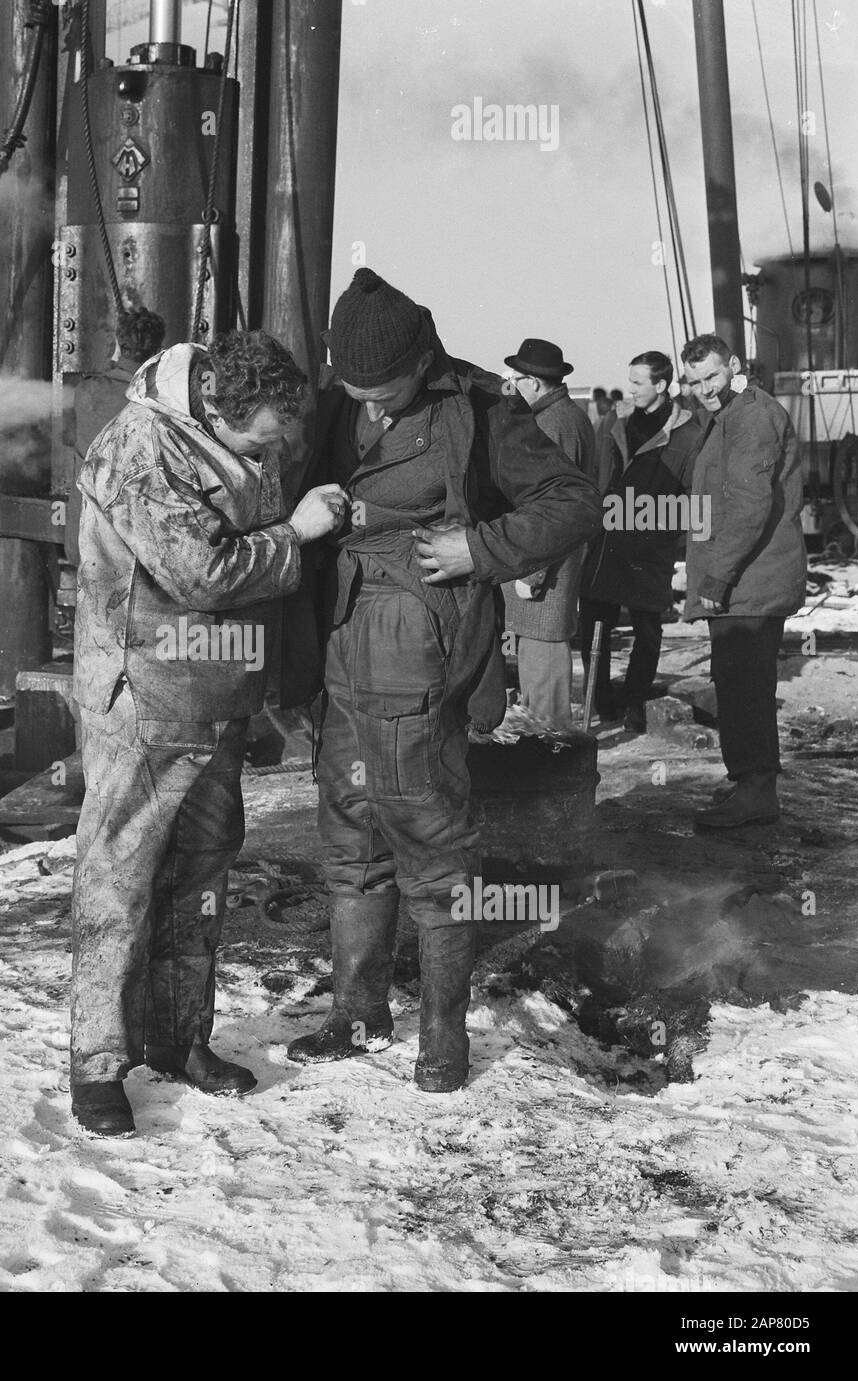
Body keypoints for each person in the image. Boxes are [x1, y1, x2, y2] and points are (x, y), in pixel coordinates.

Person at [285, 269, 602, 1092]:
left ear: (422, 363)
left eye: (383, 390)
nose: (371, 406)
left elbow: (573, 500)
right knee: (351, 838)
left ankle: (442, 1038)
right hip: (341, 658)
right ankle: (355, 1010)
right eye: (355, 391)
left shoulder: (483, 407)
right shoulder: (332, 405)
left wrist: (483, 549)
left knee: (430, 845)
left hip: (420, 660)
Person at [70, 330, 349, 1136]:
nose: (282, 447)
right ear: (221, 414)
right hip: (146, 699)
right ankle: (97, 1066)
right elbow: (202, 574)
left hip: (215, 697)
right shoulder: (141, 448)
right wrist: (296, 533)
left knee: (200, 877)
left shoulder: (221, 427)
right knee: (119, 880)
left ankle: (179, 1036)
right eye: (268, 436)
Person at [680, 333, 805, 828]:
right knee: (736, 684)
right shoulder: (729, 415)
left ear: (733, 365)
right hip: (744, 582)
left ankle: (757, 793)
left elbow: (749, 506)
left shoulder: (752, 415)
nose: (705, 389)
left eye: (711, 376)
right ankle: (747, 783)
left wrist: (716, 578)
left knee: (746, 687)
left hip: (749, 583)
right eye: (694, 382)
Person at [580, 351, 704, 731]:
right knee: (591, 626)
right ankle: (601, 704)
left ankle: (634, 698)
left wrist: (667, 536)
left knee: (647, 630)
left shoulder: (688, 434)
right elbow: (595, 477)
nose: (629, 390)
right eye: (629, 381)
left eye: (637, 383)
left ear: (661, 386)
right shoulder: (613, 422)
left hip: (651, 547)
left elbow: (694, 498)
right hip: (607, 541)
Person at [499, 339, 598, 727]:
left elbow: (553, 511)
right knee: (537, 663)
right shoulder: (562, 417)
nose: (511, 386)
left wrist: (531, 573)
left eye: (516, 379)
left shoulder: (554, 424)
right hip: (543, 565)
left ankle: (550, 747)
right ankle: (544, 740)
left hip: (544, 570)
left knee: (543, 666)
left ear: (535, 383)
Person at [66, 308, 167, 568]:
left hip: (85, 540)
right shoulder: (161, 402)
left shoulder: (87, 390)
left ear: (120, 344)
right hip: (137, 548)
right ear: (158, 349)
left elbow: (67, 438)